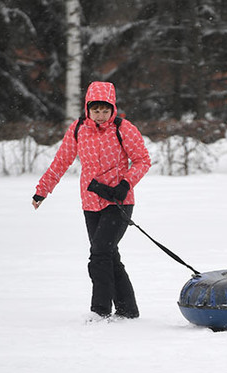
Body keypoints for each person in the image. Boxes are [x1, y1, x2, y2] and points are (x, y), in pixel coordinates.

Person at [32, 81, 151, 319]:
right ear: (88, 108)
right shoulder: (78, 129)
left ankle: (100, 310)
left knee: (99, 254)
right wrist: (42, 190)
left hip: (119, 202)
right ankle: (128, 310)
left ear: (112, 108)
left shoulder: (123, 128)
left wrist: (125, 184)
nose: (100, 114)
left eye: (105, 109)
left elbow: (142, 160)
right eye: (95, 109)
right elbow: (61, 161)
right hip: (90, 202)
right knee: (108, 254)